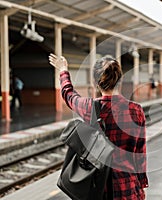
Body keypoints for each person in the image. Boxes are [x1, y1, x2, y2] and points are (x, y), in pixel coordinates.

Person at [49, 53, 148, 199]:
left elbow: (68, 94)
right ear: (119, 80)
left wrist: (63, 70)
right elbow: (140, 153)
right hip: (128, 188)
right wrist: (141, 183)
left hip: (99, 189)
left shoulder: (90, 108)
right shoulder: (136, 110)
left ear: (96, 82)